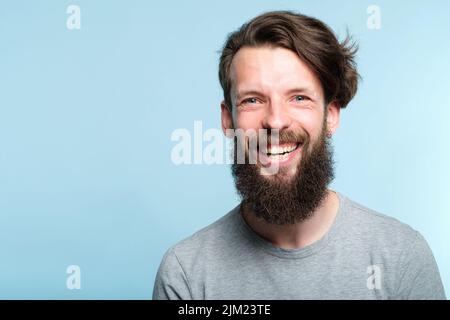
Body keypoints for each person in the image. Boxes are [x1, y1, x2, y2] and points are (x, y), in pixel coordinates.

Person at [153, 11, 446, 300]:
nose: (276, 121)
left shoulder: (402, 258)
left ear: (330, 116)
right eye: (252, 100)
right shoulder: (186, 275)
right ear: (228, 120)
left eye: (299, 98)